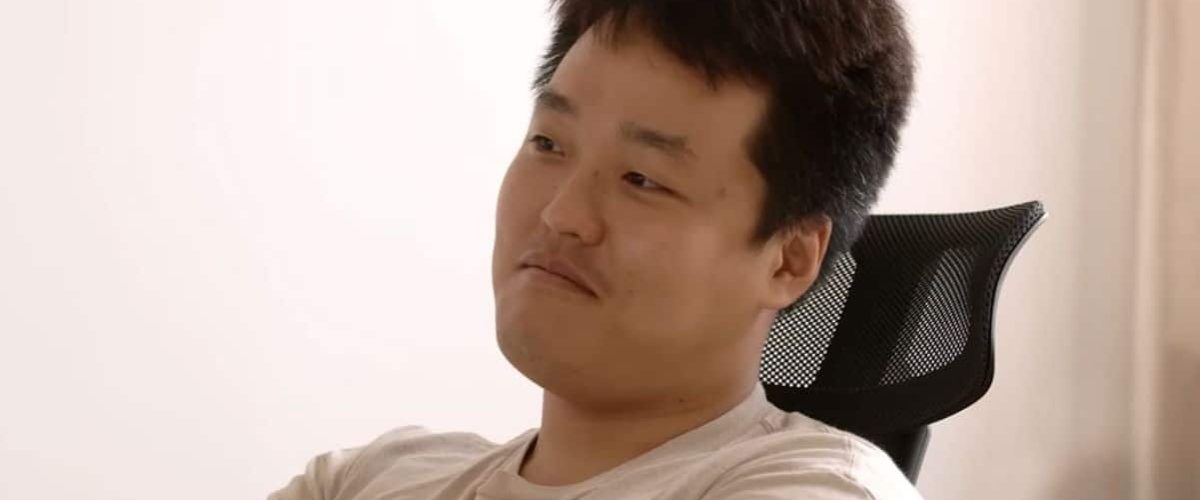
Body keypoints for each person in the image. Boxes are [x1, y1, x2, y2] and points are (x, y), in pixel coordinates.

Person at [271, 0, 919, 498]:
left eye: (643, 179)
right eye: (549, 144)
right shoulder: (363, 480)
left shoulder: (819, 489)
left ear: (788, 259)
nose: (561, 214)